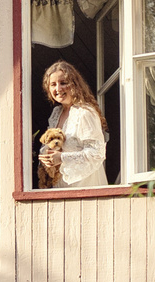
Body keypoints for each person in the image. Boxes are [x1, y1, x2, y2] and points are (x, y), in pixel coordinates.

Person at [39, 60, 109, 188]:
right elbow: (48, 144)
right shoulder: (56, 113)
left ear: (75, 85)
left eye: (63, 83)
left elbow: (96, 153)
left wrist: (62, 158)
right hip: (60, 184)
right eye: (53, 84)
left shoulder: (85, 113)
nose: (58, 89)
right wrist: (47, 156)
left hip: (84, 184)